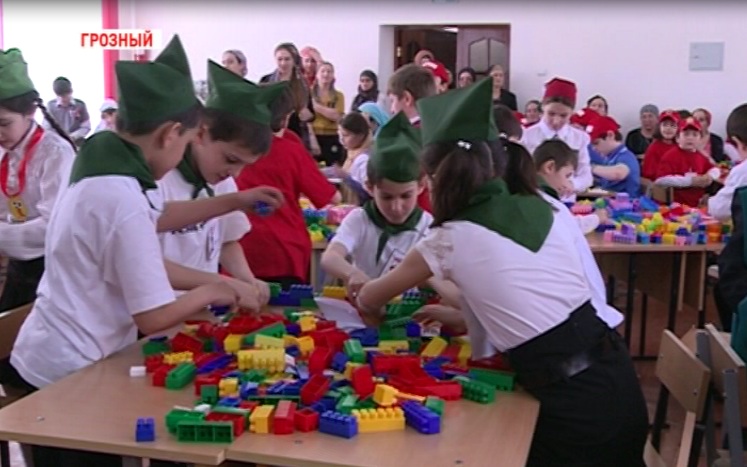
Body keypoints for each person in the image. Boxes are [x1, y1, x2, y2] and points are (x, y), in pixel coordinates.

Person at [7, 36, 281, 466]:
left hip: (64, 352)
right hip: (68, 367)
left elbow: (160, 216)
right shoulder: (122, 197)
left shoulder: (107, 164)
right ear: (171, 134)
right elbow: (152, 316)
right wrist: (216, 289)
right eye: (185, 142)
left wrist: (232, 201)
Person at [356, 79, 648, 467]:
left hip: (576, 415)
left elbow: (371, 297)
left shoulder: (449, 238)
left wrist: (364, 294)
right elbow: (521, 296)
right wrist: (464, 314)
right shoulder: (541, 203)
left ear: (437, 179)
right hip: (616, 384)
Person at [158, 60, 288, 310]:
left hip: (200, 311)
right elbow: (146, 264)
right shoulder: (162, 179)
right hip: (162, 310)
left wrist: (247, 280)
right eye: (230, 159)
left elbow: (227, 240)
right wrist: (221, 284)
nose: (234, 173)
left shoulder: (222, 182)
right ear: (201, 134)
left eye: (245, 166)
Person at [236, 84, 340, 289]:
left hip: (238, 248)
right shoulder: (291, 151)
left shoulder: (236, 146)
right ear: (286, 117)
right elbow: (331, 197)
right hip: (284, 248)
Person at [321, 112, 433, 299]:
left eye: (406, 196)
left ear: (421, 186)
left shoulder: (428, 227)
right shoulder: (360, 219)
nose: (396, 207)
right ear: (369, 187)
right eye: (387, 197)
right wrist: (352, 273)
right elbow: (330, 257)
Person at [0, 49, 77, 312]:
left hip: (53, 266)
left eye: (4, 124)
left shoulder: (56, 153)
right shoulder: (5, 151)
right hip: (18, 262)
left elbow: (52, 226)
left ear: (30, 113)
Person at [520, 77, 593, 198]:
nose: (556, 121)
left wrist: (572, 184)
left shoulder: (579, 138)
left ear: (572, 113)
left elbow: (586, 175)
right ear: (543, 108)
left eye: (563, 115)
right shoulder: (526, 136)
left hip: (566, 199)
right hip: (535, 197)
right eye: (551, 114)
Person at [712, 104, 747, 331]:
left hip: (742, 275)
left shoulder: (742, 171)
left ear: (737, 142)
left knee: (725, 285)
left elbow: (719, 209)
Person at [655, 116, 720, 207]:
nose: (690, 138)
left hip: (698, 204)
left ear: (700, 139)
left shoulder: (700, 156)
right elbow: (660, 180)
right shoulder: (670, 156)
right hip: (676, 205)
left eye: (695, 135)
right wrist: (690, 181)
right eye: (686, 134)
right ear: (677, 138)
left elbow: (715, 169)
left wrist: (709, 176)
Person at [588, 115, 641, 196]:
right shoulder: (609, 157)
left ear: (610, 135)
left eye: (596, 143)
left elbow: (619, 173)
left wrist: (590, 168)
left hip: (627, 202)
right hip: (609, 199)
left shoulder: (626, 156)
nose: (594, 148)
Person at [45, 77, 90, 146]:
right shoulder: (51, 106)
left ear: (71, 92)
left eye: (65, 96)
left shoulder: (80, 105)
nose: (62, 99)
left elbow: (86, 127)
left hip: (76, 142)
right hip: (57, 143)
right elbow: (47, 128)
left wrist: (73, 136)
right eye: (59, 96)